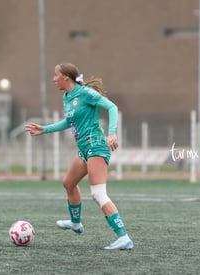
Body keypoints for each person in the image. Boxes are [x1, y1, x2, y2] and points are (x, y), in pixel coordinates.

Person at [25, 63, 134, 250]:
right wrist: (45, 129)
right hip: (84, 148)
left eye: (56, 75)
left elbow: (112, 107)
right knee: (68, 183)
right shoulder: (67, 97)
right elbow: (69, 121)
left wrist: (112, 133)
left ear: (66, 77)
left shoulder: (85, 93)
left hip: (96, 145)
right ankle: (76, 224)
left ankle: (123, 237)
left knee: (98, 193)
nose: (54, 79)